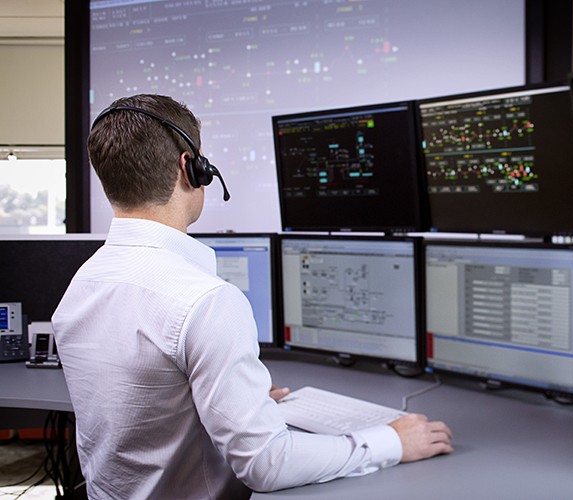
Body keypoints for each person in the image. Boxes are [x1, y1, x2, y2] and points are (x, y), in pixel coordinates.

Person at [51, 94, 453, 499]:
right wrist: (391, 442)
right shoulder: (205, 301)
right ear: (190, 169)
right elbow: (266, 463)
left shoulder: (80, 286)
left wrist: (241, 403)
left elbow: (146, 409)